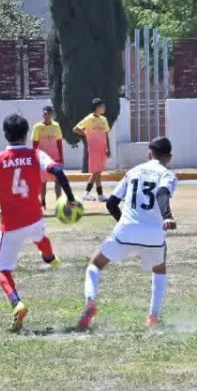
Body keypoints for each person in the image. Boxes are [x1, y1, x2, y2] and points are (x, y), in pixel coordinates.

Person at [0, 113, 79, 333]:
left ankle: (17, 303)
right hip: (35, 218)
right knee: (40, 237)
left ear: (5, 134)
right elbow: (58, 171)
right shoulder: (36, 154)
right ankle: (50, 257)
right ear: (27, 134)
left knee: (2, 270)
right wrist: (71, 199)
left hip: (12, 225)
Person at [75, 137, 178, 332]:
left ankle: (90, 303)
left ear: (149, 154)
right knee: (159, 269)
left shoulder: (133, 172)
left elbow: (111, 203)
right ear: (169, 157)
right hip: (153, 234)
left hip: (126, 230)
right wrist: (167, 216)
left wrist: (125, 224)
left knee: (95, 264)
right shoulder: (168, 175)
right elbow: (162, 193)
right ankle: (153, 318)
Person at [74, 98, 112, 202]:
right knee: (96, 172)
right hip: (94, 148)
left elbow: (106, 134)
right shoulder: (89, 118)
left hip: (102, 149)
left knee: (98, 172)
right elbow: (76, 128)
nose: (104, 108)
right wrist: (86, 134)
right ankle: (86, 193)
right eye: (102, 106)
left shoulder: (104, 119)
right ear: (97, 107)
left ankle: (100, 195)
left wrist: (108, 148)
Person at [31, 105, 65, 210]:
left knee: (58, 181)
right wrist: (36, 158)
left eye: (48, 114)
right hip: (42, 159)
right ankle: (43, 203)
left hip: (55, 159)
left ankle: (59, 203)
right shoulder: (37, 127)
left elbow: (59, 143)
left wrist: (61, 158)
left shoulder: (56, 126)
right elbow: (35, 145)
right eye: (44, 113)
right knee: (43, 182)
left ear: (52, 115)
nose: (46, 116)